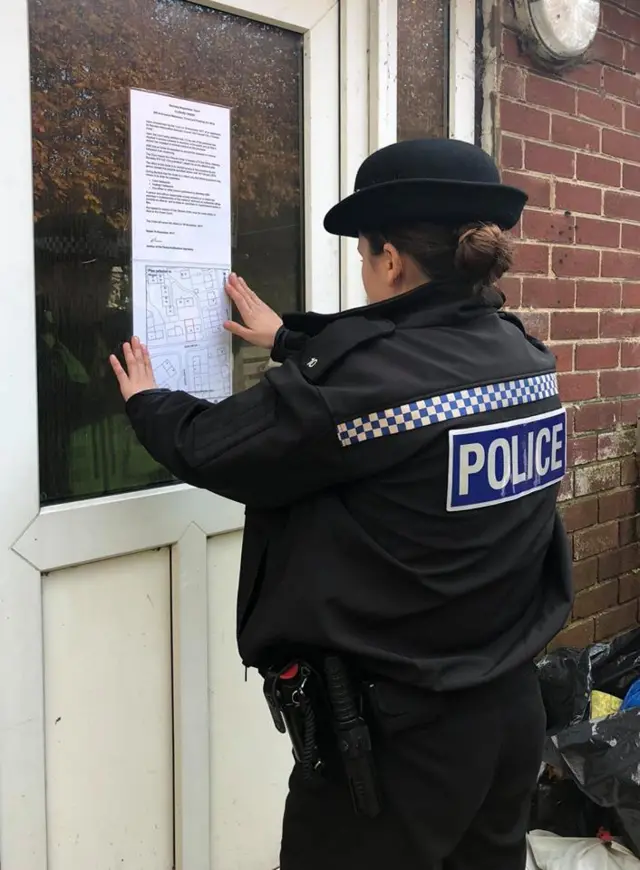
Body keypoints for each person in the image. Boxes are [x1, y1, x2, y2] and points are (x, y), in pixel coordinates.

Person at [110, 138, 572, 870]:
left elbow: (215, 446)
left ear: (389, 258)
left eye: (362, 255)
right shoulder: (524, 358)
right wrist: (292, 338)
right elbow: (405, 373)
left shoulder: (368, 387)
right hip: (508, 713)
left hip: (398, 748)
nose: (362, 272)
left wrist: (148, 401)